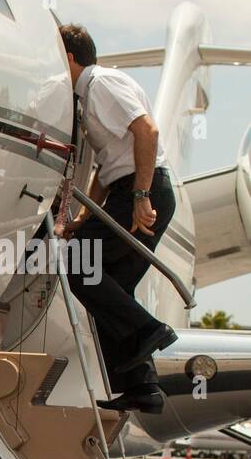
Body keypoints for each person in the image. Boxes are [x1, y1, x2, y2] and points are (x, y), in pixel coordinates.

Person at [59, 23, 178, 415]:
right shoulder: (88, 94)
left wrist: (141, 197)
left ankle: (150, 329)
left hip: (140, 192)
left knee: (77, 265)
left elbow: (147, 130)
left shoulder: (101, 84)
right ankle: (143, 386)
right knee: (110, 291)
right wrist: (84, 215)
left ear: (70, 57)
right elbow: (105, 168)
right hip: (128, 189)